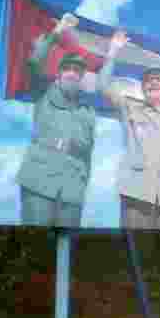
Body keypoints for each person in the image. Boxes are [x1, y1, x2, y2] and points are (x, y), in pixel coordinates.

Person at [96, 29, 160, 230]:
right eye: (148, 80)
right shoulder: (128, 107)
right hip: (137, 197)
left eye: (159, 79)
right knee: (135, 254)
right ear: (142, 87)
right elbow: (102, 85)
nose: (153, 82)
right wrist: (113, 51)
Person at [15, 13, 96, 227]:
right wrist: (57, 32)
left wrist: (82, 183)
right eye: (67, 69)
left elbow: (89, 152)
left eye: (77, 71)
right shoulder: (43, 91)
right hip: (39, 184)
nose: (72, 73)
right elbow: (34, 62)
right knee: (35, 246)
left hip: (72, 190)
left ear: (81, 77)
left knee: (67, 250)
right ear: (59, 74)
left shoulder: (88, 110)